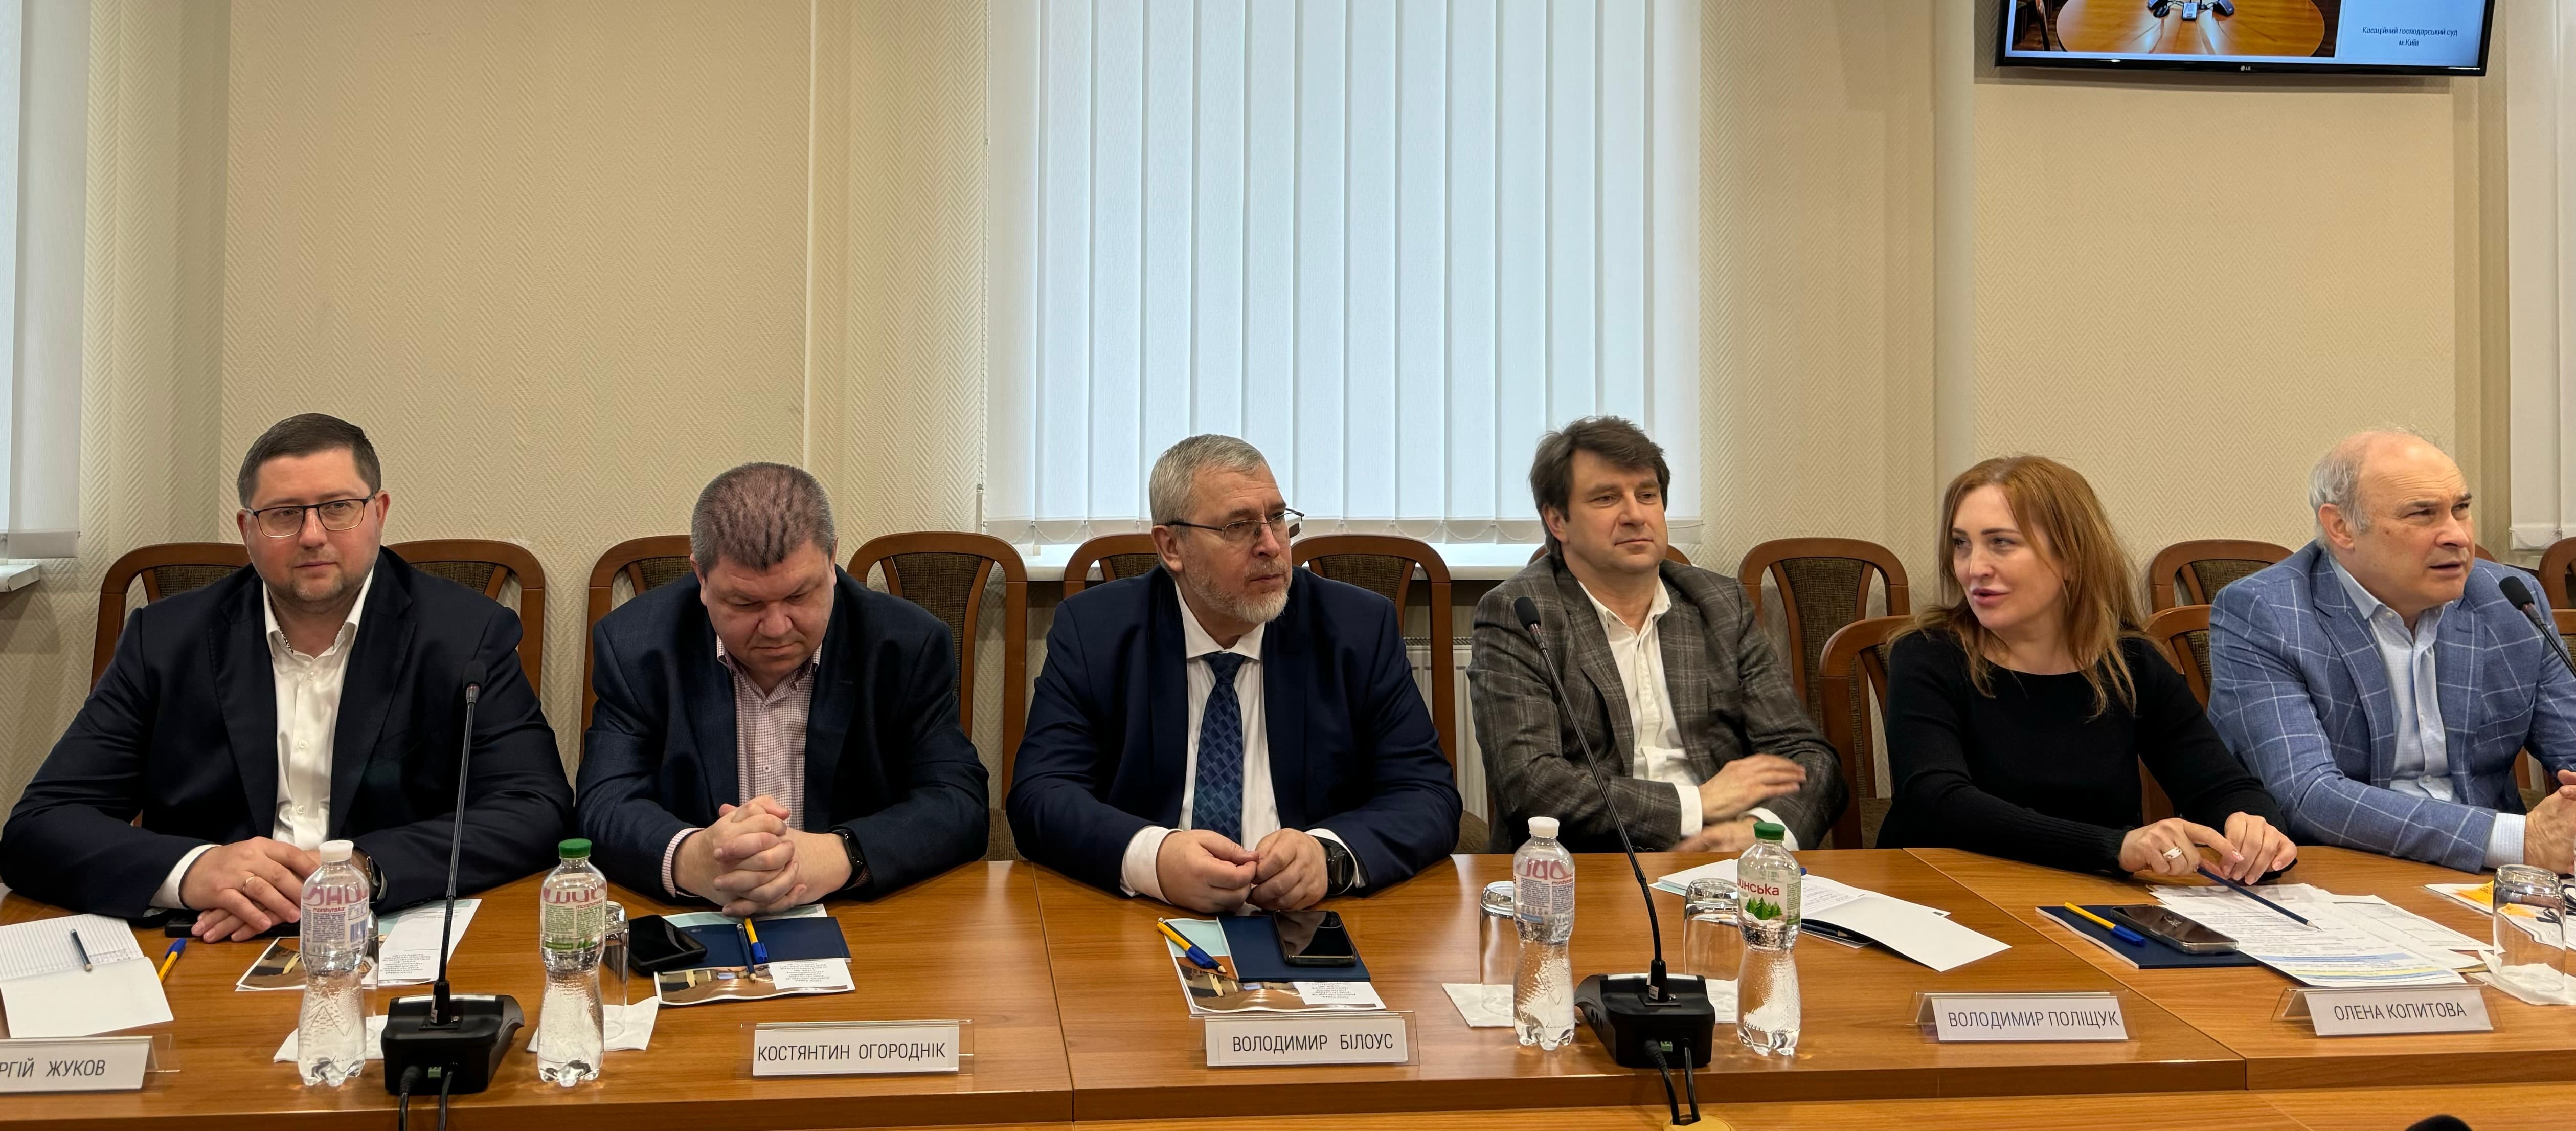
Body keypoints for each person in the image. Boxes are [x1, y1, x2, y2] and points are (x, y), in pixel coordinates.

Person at [0, 414, 572, 938]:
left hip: (388, 935)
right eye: (284, 514)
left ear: (379, 512)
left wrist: (363, 869)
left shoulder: (466, 634)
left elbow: (536, 807)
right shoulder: (166, 640)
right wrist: (193, 870)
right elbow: (41, 826)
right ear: (247, 528)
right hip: (211, 937)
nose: (313, 534)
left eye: (338, 507)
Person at [1007, 434, 1460, 912]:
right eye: (1239, 527)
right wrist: (1154, 858)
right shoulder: (1096, 631)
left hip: (1311, 918)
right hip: (1144, 914)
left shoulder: (1356, 628)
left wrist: (1328, 856)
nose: (1272, 546)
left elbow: (1426, 794)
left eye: (1278, 519)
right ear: (1171, 546)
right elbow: (1041, 794)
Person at [577, 463, 988, 911]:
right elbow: (604, 804)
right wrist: (693, 858)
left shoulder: (904, 645)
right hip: (699, 919)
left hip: (857, 917)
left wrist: (841, 854)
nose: (776, 628)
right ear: (701, 577)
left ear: (831, 559)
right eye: (745, 603)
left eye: (798, 596)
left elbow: (958, 802)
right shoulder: (637, 647)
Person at [1878, 455, 2295, 880]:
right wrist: (2115, 847)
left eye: (2001, 542)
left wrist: (2252, 827)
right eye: (1961, 544)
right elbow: (1938, 802)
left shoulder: (2130, 663)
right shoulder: (1927, 654)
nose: (1973, 568)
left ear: (2071, 558)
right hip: (1944, 889)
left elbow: (2223, 787)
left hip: (2089, 896)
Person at [1468, 417, 1845, 851]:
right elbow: (1531, 784)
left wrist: (1756, 832)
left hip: (1722, 855)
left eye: (1647, 495)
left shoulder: (1719, 603)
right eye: (1607, 498)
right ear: (1558, 521)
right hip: (1585, 868)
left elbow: (1807, 757)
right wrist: (1696, 805)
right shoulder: (1520, 613)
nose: (1635, 515)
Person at [2209, 429, 2576, 872]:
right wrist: (2516, 839)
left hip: (2497, 876)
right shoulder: (2267, 611)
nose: (2457, 536)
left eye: (2461, 509)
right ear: (2342, 527)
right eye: (2422, 514)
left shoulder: (2507, 598)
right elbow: (2306, 794)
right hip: (2351, 870)